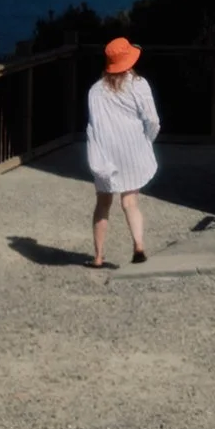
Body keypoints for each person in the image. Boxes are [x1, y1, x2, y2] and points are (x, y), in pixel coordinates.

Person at [86, 36, 160, 268]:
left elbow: (93, 125)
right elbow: (152, 119)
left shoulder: (95, 91)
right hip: (133, 148)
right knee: (130, 201)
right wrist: (147, 139)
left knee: (103, 203)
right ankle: (138, 245)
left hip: (107, 150)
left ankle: (98, 256)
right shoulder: (139, 85)